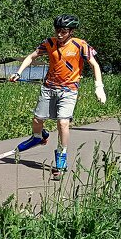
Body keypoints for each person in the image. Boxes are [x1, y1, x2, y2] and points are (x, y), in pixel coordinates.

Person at [9, 14, 106, 174]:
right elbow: (31, 57)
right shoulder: (49, 43)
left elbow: (94, 65)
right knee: (37, 119)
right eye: (57, 30)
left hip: (69, 90)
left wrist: (99, 86)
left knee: (63, 123)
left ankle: (61, 154)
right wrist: (18, 73)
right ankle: (38, 137)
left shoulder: (80, 45)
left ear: (71, 31)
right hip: (49, 88)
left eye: (64, 31)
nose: (59, 34)